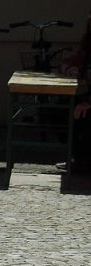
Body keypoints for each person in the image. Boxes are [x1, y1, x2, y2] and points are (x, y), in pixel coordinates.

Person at [59, 9, 90, 179]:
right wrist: (68, 67)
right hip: (85, 95)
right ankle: (76, 158)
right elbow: (76, 59)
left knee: (81, 116)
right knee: (60, 108)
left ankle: (82, 162)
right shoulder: (87, 43)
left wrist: (88, 103)